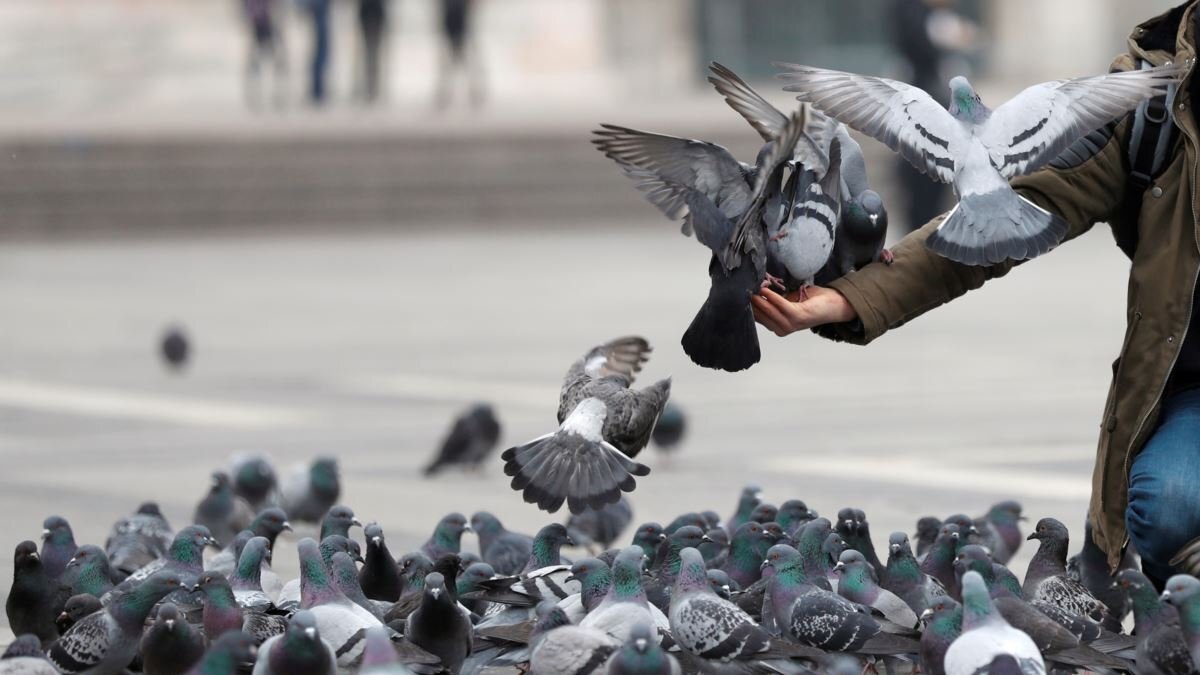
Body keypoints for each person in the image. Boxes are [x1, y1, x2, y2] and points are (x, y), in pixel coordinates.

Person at [752, 3, 1200, 588]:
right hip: (1192, 385)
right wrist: (853, 296)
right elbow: (1013, 208)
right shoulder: (1154, 104)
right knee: (1167, 506)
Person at [887, 0, 975, 232]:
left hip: (939, 126)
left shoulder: (936, 19)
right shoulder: (913, 17)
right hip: (922, 121)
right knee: (920, 192)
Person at [435, 0, 485, 109]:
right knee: (450, 64)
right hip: (453, 25)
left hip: (460, 25)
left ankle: (474, 92)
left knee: (465, 62)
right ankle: (447, 94)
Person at [242, 0, 287, 109]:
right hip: (260, 20)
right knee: (258, 61)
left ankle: (278, 95)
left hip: (268, 19)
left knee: (276, 60)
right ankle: (257, 95)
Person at [298, 0, 332, 104]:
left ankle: (318, 89)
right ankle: (317, 90)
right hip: (318, 8)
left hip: (319, 8)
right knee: (321, 50)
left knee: (322, 50)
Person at [358, 0, 389, 104]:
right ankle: (370, 86)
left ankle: (372, 86)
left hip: (373, 12)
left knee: (372, 52)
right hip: (368, 12)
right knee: (370, 52)